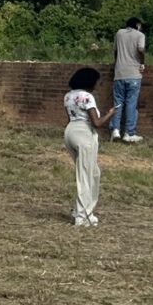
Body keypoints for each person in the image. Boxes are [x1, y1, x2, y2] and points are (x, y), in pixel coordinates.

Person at [64, 67, 119, 226]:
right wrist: (111, 113)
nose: (97, 84)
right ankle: (82, 216)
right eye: (96, 81)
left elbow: (70, 116)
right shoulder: (87, 97)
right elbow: (97, 123)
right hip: (84, 133)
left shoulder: (68, 96)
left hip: (70, 131)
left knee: (91, 172)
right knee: (86, 176)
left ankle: (82, 211)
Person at [111, 18, 146, 143]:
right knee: (131, 103)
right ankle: (128, 133)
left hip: (119, 73)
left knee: (118, 102)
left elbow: (115, 51)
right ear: (137, 25)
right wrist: (142, 63)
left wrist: (117, 64)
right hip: (134, 74)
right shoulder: (140, 35)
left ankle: (115, 130)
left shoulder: (119, 33)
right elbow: (141, 50)